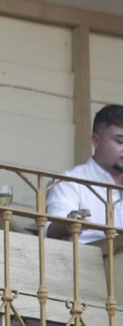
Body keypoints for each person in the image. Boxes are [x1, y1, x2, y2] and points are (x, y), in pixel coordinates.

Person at [46, 104, 123, 244]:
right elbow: (50, 229)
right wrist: (68, 225)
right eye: (120, 141)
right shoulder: (71, 181)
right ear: (96, 141)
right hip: (86, 256)